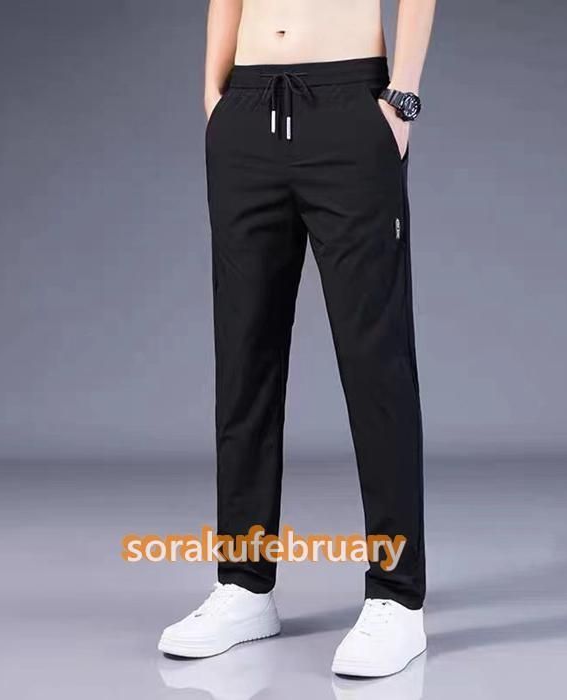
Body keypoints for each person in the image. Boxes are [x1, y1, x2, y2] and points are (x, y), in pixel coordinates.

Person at [159, 0, 436, 677]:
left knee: (375, 361)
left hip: (350, 106)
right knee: (244, 357)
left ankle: (397, 596)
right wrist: (215, 96)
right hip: (247, 108)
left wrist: (401, 98)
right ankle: (244, 584)